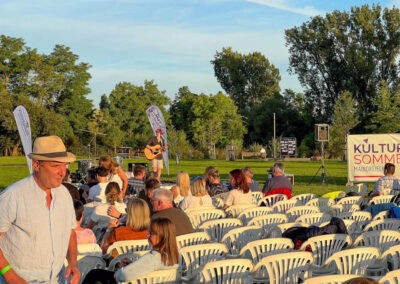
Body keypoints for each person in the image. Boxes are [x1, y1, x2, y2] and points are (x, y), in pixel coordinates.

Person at [0, 135, 79, 283]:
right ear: (36, 165)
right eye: (55, 166)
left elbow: (70, 232)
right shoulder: (13, 196)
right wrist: (10, 275)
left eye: (65, 165)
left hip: (58, 278)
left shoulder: (64, 194)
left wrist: (73, 263)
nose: (63, 172)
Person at [82, 218, 179, 284]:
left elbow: (122, 276)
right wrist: (133, 265)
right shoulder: (175, 255)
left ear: (162, 236)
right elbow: (148, 268)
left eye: (151, 234)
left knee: (94, 274)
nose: (147, 236)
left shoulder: (153, 257)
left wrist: (118, 273)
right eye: (148, 232)